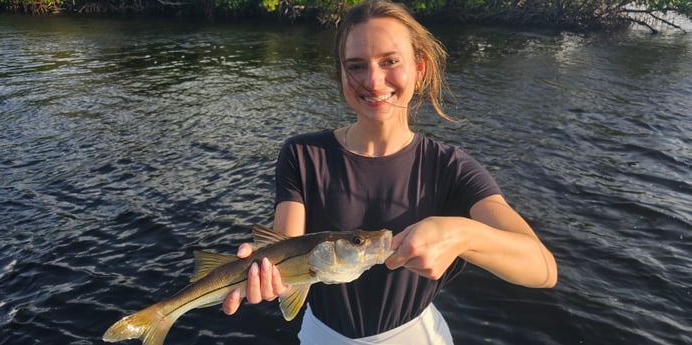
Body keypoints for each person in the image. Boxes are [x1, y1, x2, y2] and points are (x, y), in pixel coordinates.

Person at [222, 0, 558, 343]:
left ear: (419, 68)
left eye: (391, 61)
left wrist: (464, 235)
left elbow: (543, 269)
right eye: (356, 66)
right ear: (341, 73)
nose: (373, 80)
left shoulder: (452, 168)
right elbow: (289, 258)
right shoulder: (302, 154)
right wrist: (265, 276)